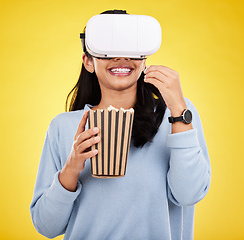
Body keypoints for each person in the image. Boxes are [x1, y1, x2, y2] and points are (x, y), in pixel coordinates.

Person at [30, 9, 211, 240]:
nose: (121, 57)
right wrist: (72, 167)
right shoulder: (63, 128)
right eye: (108, 49)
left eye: (130, 48)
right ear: (88, 61)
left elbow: (189, 194)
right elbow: (47, 227)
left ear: (143, 58)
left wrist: (178, 112)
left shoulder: (176, 113)